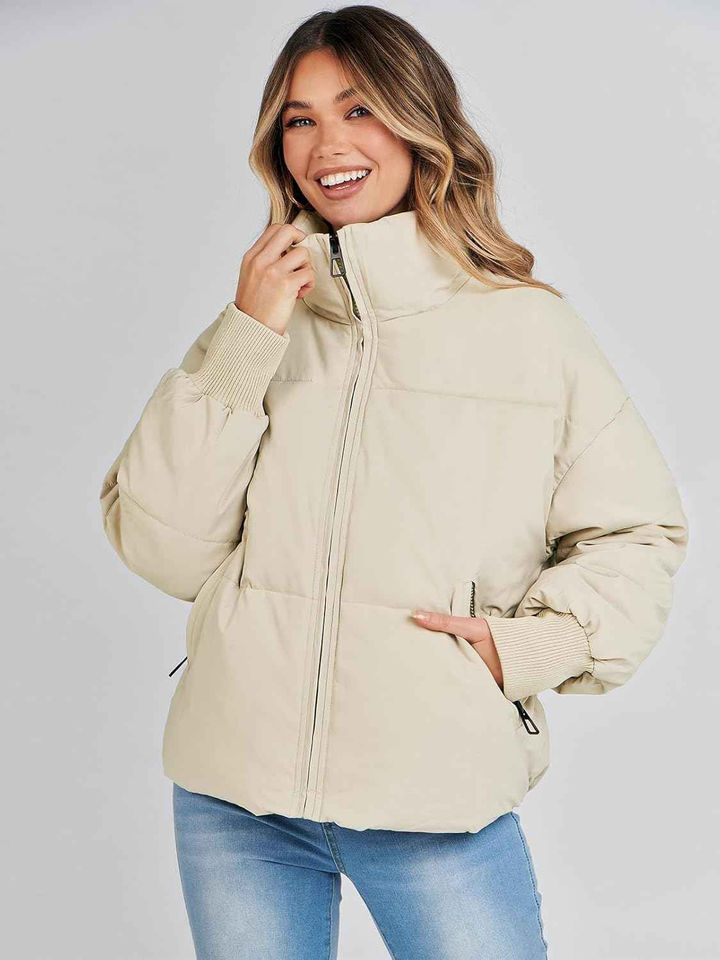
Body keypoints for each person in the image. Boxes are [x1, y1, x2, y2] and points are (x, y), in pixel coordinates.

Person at [98, 6, 689, 958]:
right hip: (234, 797)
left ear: (421, 125)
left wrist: (522, 649)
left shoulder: (529, 331)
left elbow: (637, 531)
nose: (327, 144)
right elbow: (162, 545)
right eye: (299, 119)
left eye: (359, 109)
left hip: (433, 794)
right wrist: (249, 336)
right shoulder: (257, 327)